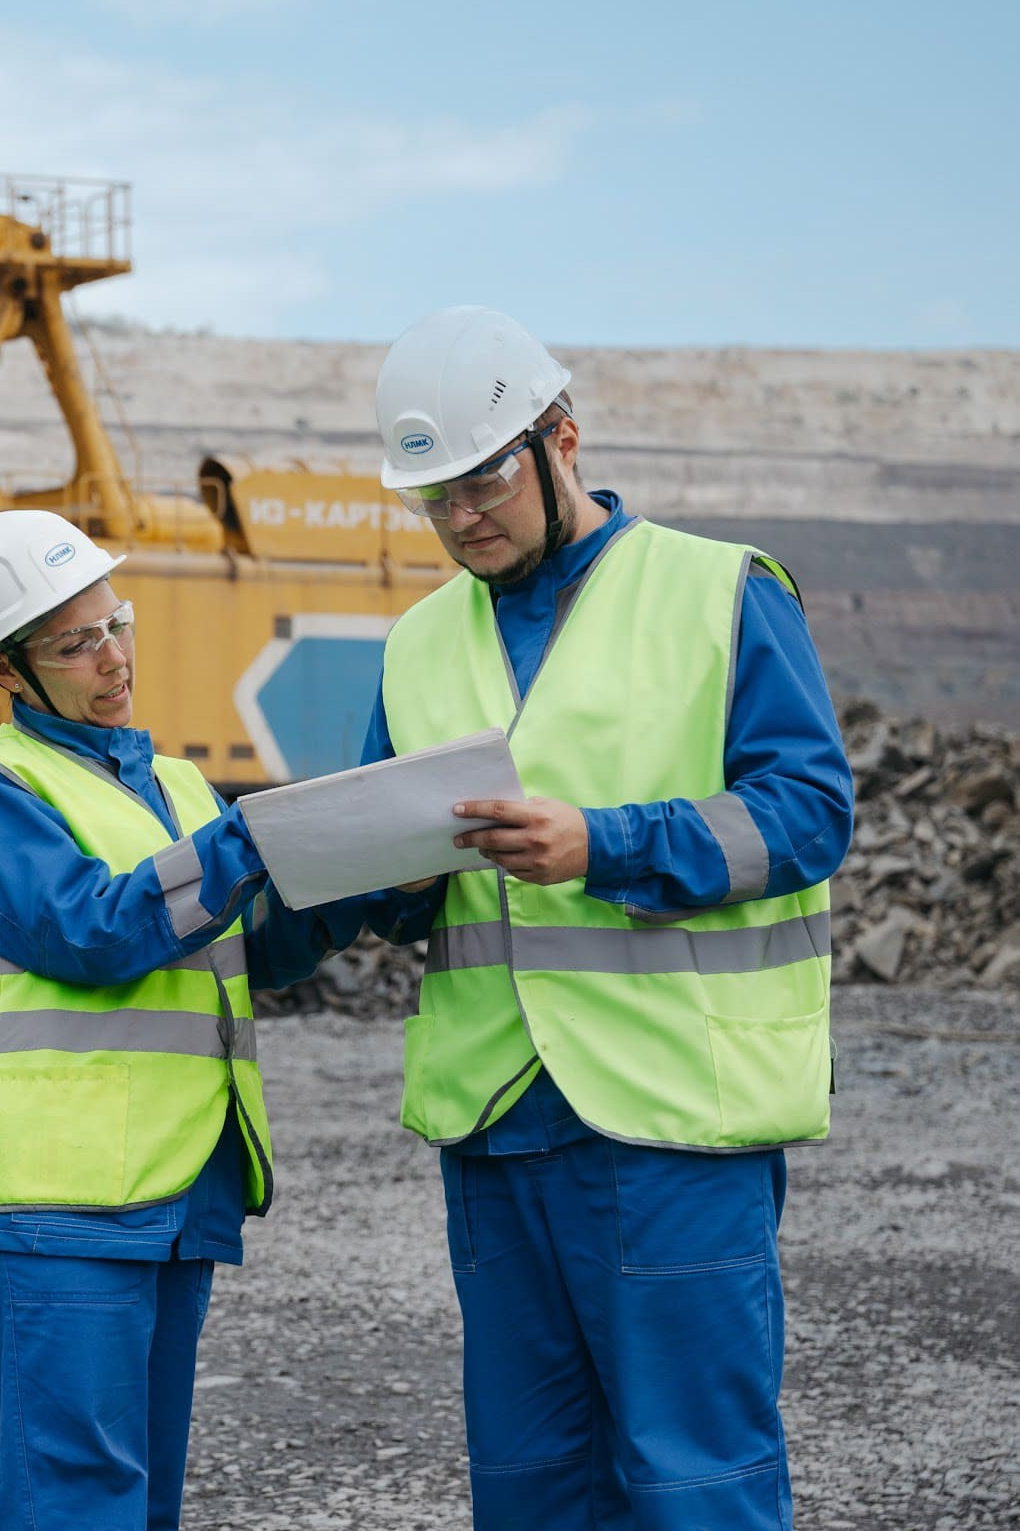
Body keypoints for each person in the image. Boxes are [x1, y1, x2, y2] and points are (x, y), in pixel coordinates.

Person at [356, 306, 855, 1529]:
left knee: (694, 1481)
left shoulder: (720, 590)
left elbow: (804, 813)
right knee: (529, 1490)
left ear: (559, 439)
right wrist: (384, 880)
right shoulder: (416, 642)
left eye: (480, 484)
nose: (460, 520)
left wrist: (606, 843)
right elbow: (383, 850)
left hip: (671, 1116)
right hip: (495, 1119)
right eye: (433, 501)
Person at [0, 508, 364, 1530]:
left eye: (116, 624)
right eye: (76, 643)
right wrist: (249, 839)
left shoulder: (174, 784)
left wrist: (362, 877)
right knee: (74, 1507)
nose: (112, 657)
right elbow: (87, 930)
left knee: (137, 1508)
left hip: (168, 1192)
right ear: (5, 670)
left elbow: (242, 945)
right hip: (50, 1206)